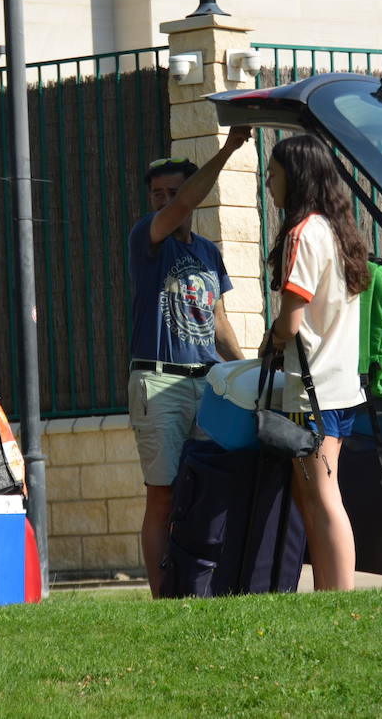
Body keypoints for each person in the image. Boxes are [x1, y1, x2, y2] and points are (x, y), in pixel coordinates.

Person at [127, 127, 249, 597]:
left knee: (202, 492)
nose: (165, 201)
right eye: (157, 194)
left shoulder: (208, 252)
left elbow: (218, 325)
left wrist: (249, 374)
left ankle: (198, 585)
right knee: (162, 494)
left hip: (207, 384)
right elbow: (177, 211)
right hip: (158, 384)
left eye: (173, 192)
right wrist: (229, 148)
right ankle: (164, 601)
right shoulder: (148, 236)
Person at [260, 133, 370, 591]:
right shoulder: (336, 230)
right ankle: (330, 594)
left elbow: (290, 321)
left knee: (322, 495)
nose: (268, 181)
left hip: (312, 390)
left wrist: (270, 341)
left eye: (274, 172)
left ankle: (339, 595)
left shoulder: (303, 235)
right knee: (320, 493)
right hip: (340, 385)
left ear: (296, 176)